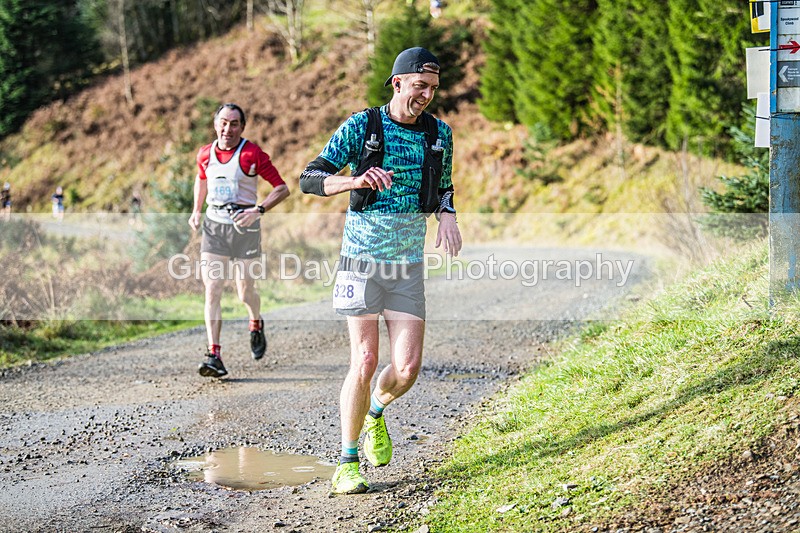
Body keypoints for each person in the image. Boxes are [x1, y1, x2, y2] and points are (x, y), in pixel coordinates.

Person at [299, 47, 462, 494]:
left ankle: (374, 414)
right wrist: (354, 180)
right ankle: (347, 462)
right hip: (360, 261)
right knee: (366, 359)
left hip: (407, 265)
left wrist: (448, 214)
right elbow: (309, 178)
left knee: (407, 369)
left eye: (432, 88)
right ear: (397, 82)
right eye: (419, 86)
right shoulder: (363, 127)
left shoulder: (439, 134)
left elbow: (444, 186)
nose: (426, 96)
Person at [188, 103, 290, 378]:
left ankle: (255, 322)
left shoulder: (251, 154)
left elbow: (282, 188)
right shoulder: (205, 154)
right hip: (215, 227)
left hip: (245, 229)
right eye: (223, 122)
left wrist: (258, 210)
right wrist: (197, 211)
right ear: (215, 124)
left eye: (234, 124)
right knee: (213, 289)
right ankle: (214, 354)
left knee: (245, 292)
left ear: (242, 127)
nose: (227, 129)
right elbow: (202, 180)